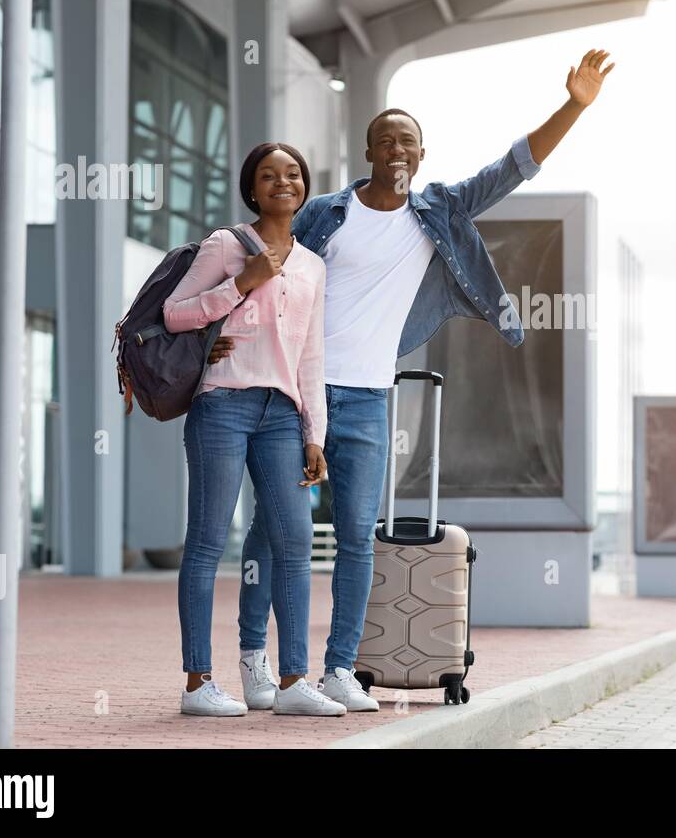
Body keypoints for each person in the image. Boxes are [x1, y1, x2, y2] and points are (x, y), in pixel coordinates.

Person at [217, 50, 616, 712]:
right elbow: (268, 272)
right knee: (272, 532)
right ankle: (257, 665)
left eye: (408, 139)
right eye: (386, 138)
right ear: (368, 150)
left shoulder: (441, 213)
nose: (397, 147)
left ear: (422, 155)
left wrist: (574, 104)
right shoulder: (323, 213)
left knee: (356, 539)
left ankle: (339, 668)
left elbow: (514, 166)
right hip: (298, 393)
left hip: (372, 399)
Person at [163, 142, 341, 717]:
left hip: (282, 416)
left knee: (293, 543)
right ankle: (197, 684)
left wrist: (315, 434)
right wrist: (241, 284)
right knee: (209, 540)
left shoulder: (313, 265)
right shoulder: (226, 245)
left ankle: (292, 682)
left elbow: (310, 357)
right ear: (252, 187)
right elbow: (173, 313)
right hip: (222, 405)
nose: (282, 182)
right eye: (269, 175)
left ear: (304, 185)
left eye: (292, 174)